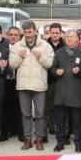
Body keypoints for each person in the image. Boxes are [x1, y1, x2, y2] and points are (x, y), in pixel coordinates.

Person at [9, 20, 55, 150]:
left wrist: (41, 57)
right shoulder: (17, 46)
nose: (28, 34)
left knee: (40, 114)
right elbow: (12, 64)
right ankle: (27, 139)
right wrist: (20, 57)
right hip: (23, 86)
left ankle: (39, 139)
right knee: (26, 114)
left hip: (39, 85)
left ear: (35, 31)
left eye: (30, 31)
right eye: (26, 32)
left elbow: (50, 64)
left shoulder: (45, 46)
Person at [50, 30, 81, 152]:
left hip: (76, 92)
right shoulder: (59, 53)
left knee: (77, 121)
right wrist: (56, 72)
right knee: (60, 121)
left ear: (77, 39)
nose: (69, 39)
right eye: (67, 37)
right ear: (64, 39)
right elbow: (52, 68)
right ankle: (60, 142)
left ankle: (78, 143)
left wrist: (80, 71)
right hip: (61, 92)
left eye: (72, 37)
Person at [2, 26, 24, 142]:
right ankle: (5, 133)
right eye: (11, 34)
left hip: (19, 81)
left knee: (19, 109)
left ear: (19, 36)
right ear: (7, 35)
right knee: (4, 109)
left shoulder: (23, 48)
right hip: (5, 81)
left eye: (16, 35)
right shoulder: (1, 48)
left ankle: (21, 134)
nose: (13, 37)